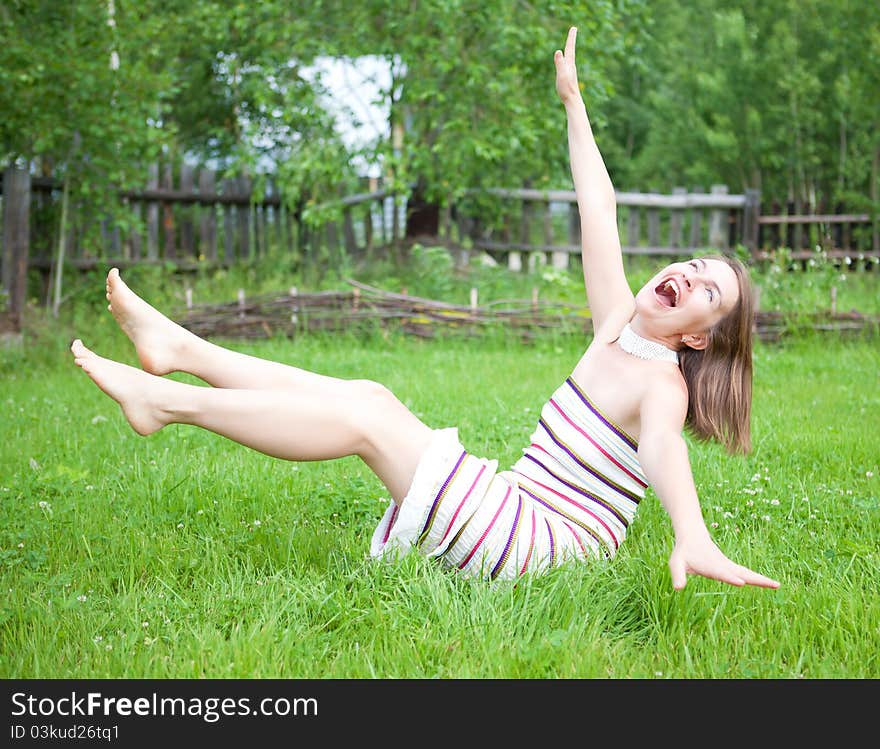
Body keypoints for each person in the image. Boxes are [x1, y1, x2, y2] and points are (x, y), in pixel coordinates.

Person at [70, 27, 779, 591]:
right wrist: (573, 101)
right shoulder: (615, 328)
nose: (687, 276)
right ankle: (181, 352)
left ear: (696, 337)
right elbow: (600, 205)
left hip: (540, 548)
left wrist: (692, 532)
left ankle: (164, 402)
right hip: (516, 512)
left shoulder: (664, 386)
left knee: (367, 418)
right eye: (692, 265)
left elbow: (661, 447)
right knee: (370, 396)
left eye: (708, 291)